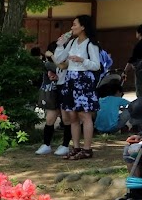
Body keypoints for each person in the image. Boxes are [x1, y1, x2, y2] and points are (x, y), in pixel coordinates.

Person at [53, 15, 101, 160]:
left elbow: (96, 65)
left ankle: (87, 149)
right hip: (70, 79)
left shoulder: (90, 44)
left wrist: (82, 60)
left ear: (83, 27)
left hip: (84, 79)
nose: (72, 27)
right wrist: (60, 44)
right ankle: (76, 147)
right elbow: (60, 59)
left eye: (74, 24)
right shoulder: (72, 42)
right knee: (72, 115)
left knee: (84, 115)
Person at [36, 42, 73, 155]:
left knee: (66, 119)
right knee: (50, 119)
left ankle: (65, 145)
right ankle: (46, 144)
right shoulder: (48, 64)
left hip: (65, 91)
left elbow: (60, 67)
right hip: (53, 93)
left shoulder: (66, 62)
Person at [125, 24, 142, 97]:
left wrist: (125, 71)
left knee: (140, 91)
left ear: (139, 33)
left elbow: (132, 59)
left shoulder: (139, 45)